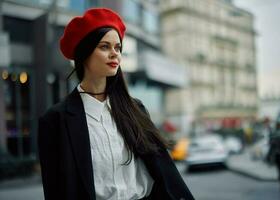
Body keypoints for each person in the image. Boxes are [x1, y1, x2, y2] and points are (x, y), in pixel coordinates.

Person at [38, 7, 195, 200]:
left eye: (118, 48)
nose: (115, 54)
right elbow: (57, 192)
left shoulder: (136, 109)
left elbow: (166, 175)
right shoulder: (55, 120)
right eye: (104, 47)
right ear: (84, 53)